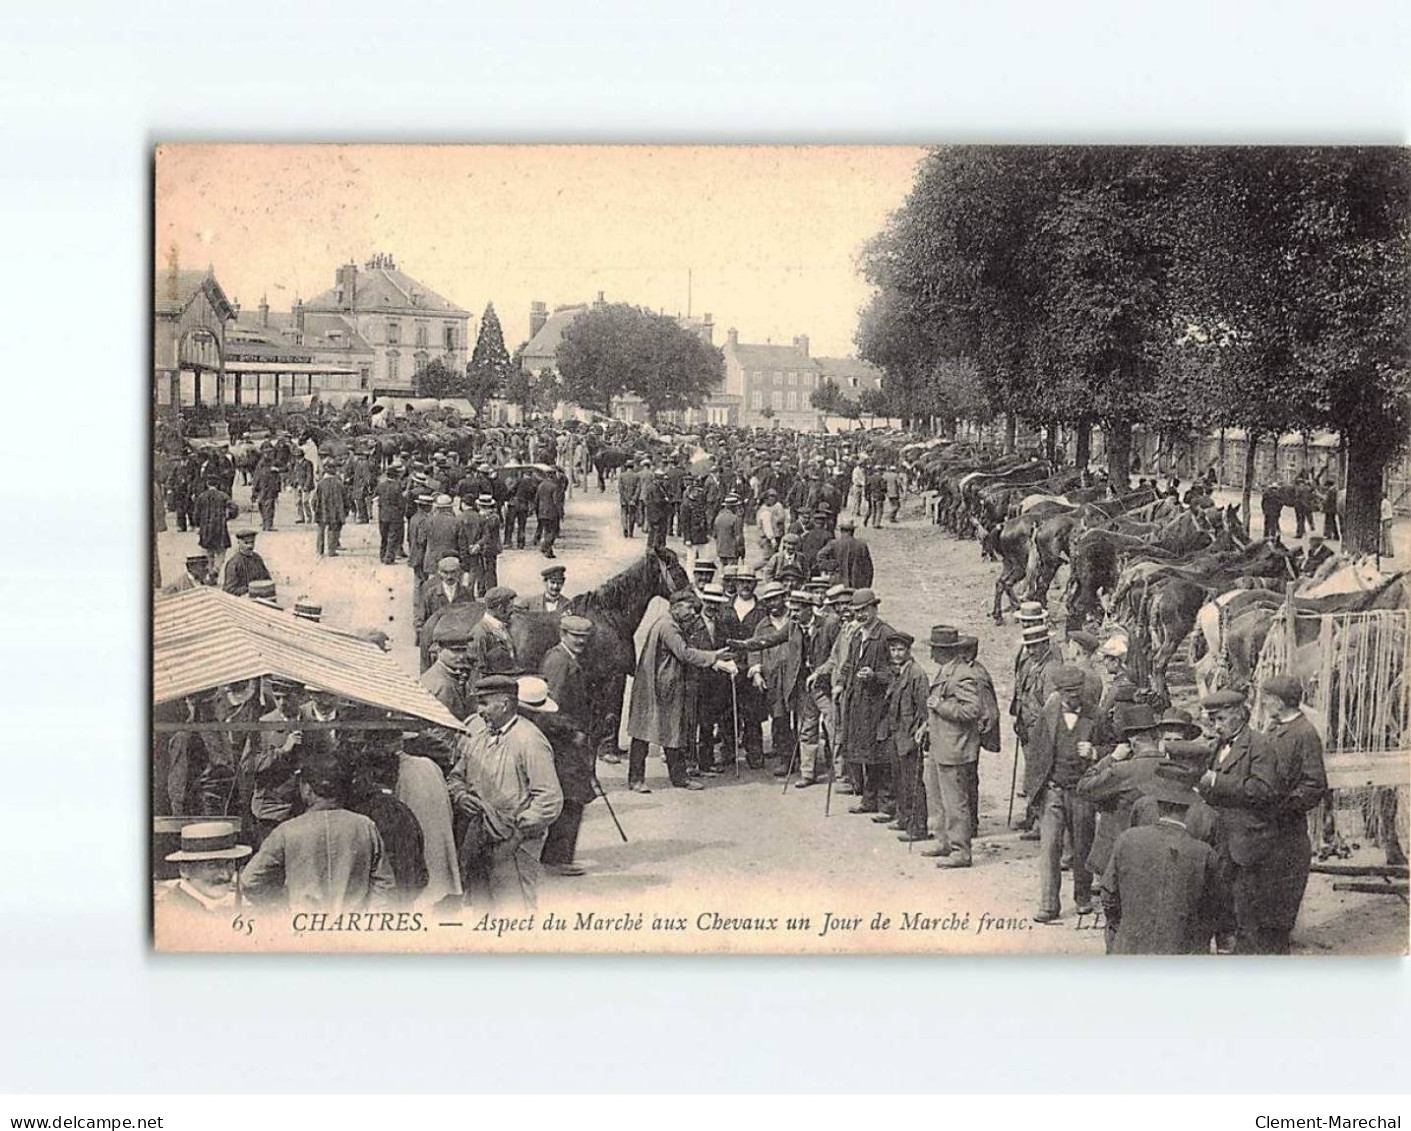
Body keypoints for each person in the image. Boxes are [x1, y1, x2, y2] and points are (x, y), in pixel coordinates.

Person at [1195, 688, 1305, 954]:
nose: (1216, 726)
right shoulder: (1217, 746)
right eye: (1212, 720)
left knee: (1250, 915)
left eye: (1220, 719)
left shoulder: (1260, 745)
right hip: (1222, 841)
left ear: (1238, 715)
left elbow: (1266, 790)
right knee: (1224, 907)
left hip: (1250, 843)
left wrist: (1217, 781)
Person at [448, 675, 564, 912]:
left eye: (485, 703)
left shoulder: (530, 740)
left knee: (515, 911)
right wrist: (461, 796)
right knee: (481, 908)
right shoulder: (478, 735)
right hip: (479, 838)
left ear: (506, 704)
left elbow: (549, 799)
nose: (479, 711)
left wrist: (517, 835)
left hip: (515, 845)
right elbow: (455, 777)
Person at [241, 737, 395, 913]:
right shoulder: (365, 826)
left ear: (307, 789)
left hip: (304, 927)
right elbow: (385, 885)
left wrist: (281, 904)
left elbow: (249, 881)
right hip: (352, 928)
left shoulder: (287, 831)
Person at [626, 588, 738, 792]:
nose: (694, 614)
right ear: (676, 607)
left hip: (663, 685)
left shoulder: (670, 623)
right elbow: (684, 653)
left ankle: (677, 777)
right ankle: (638, 779)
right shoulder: (668, 626)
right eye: (690, 608)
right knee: (646, 733)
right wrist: (714, 657)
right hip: (660, 686)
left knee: (670, 731)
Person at [1101, 773, 1227, 954]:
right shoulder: (1203, 852)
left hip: (1130, 947)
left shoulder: (1127, 839)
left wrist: (1123, 925)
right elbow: (1216, 909)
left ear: (1157, 806)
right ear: (1189, 808)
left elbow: (1108, 895)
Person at [1025, 666, 1101, 923]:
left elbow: (1115, 746)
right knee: (1049, 848)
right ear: (1059, 693)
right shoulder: (1048, 716)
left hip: (1082, 791)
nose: (1073, 698)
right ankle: (1048, 905)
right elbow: (1035, 755)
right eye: (1068, 694)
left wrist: (1095, 752)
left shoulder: (1096, 715)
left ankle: (1082, 898)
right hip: (1053, 791)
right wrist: (1034, 795)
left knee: (1083, 846)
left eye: (1077, 693)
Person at [519, 673, 594, 878]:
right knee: (568, 803)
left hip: (553, 765)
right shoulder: (534, 723)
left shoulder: (532, 718)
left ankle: (553, 856)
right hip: (552, 768)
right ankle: (555, 859)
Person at [921, 625, 982, 865]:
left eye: (934, 649)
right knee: (936, 796)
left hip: (955, 748)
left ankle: (961, 851)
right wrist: (926, 726)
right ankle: (943, 840)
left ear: (944, 651)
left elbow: (973, 709)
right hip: (940, 745)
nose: (931, 654)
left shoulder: (962, 674)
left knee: (955, 802)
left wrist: (940, 707)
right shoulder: (946, 670)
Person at [347, 732, 429, 908]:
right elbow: (421, 875)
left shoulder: (364, 815)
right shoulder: (405, 812)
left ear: (367, 777)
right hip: (404, 903)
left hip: (376, 907)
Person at [738, 582, 806, 776]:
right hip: (774, 678)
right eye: (769, 600)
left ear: (784, 598)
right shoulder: (763, 625)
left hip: (796, 676)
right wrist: (757, 673)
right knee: (780, 719)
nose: (773, 604)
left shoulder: (795, 620)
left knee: (802, 719)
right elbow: (755, 651)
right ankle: (787, 759)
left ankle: (806, 758)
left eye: (776, 598)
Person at [838, 588, 895, 814]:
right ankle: (869, 800)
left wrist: (875, 676)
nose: (860, 615)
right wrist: (841, 682)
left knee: (881, 755)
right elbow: (850, 665)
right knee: (865, 753)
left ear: (874, 608)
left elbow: (896, 672)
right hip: (858, 703)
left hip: (879, 705)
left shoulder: (886, 635)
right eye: (857, 611)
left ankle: (887, 804)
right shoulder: (857, 635)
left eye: (864, 610)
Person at [881, 629, 930, 841]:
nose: (897, 654)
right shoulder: (897, 672)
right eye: (893, 649)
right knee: (899, 779)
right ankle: (903, 818)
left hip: (909, 736)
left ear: (909, 651)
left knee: (913, 782)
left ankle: (918, 827)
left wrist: (920, 733)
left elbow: (924, 710)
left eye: (901, 650)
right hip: (895, 734)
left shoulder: (917, 675)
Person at [693, 584, 744, 775]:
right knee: (693, 724)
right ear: (703, 601)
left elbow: (729, 650)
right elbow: (691, 652)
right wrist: (713, 662)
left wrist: (732, 663)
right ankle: (691, 764)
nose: (712, 607)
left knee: (708, 723)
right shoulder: (693, 624)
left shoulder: (722, 625)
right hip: (697, 681)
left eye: (716, 603)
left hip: (715, 684)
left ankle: (706, 762)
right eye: (709, 602)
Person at [160, 821, 252, 919]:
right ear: (184, 870)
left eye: (229, 863)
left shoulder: (215, 906)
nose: (225, 875)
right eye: (212, 866)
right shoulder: (173, 912)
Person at [416, 556, 473, 672]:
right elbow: (421, 619)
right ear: (439, 573)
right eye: (445, 573)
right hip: (437, 643)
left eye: (453, 572)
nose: (449, 576)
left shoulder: (467, 593)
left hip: (459, 643)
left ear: (459, 572)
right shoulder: (431, 594)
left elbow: (472, 617)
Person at [467, 587, 519, 682]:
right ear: (500, 608)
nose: (512, 612)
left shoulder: (502, 627)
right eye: (510, 607)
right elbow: (477, 673)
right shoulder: (480, 633)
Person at [193, 474, 238, 583]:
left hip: (206, 529)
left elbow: (196, 514)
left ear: (207, 484)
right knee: (221, 552)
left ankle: (210, 572)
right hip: (220, 529)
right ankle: (216, 570)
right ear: (218, 484)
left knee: (208, 552)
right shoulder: (223, 496)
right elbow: (234, 508)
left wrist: (198, 524)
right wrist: (229, 516)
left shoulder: (202, 496)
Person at [823, 518, 874, 590]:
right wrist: (867, 584)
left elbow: (820, 556)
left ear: (841, 531)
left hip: (838, 580)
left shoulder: (834, 544)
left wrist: (831, 566)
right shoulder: (862, 545)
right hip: (857, 581)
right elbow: (869, 568)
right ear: (853, 531)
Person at [313, 462, 348, 557]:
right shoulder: (339, 483)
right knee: (333, 529)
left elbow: (315, 499)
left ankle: (319, 550)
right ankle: (331, 550)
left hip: (322, 509)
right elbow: (345, 498)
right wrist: (346, 510)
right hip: (335, 511)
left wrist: (314, 508)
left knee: (320, 530)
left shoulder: (320, 484)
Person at [222, 529, 272, 596]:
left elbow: (267, 578)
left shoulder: (257, 558)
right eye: (246, 543)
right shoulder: (234, 563)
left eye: (252, 542)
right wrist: (249, 589)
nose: (250, 546)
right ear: (239, 543)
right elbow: (228, 589)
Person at [375, 464, 406, 565]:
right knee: (392, 536)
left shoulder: (381, 485)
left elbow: (377, 497)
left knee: (384, 536)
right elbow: (400, 502)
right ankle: (389, 558)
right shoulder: (397, 486)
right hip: (395, 515)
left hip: (383, 514)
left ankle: (382, 555)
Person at [535, 467, 564, 558]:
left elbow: (536, 500)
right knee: (553, 532)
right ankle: (545, 547)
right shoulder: (554, 486)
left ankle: (549, 551)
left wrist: (537, 511)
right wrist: (560, 512)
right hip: (552, 512)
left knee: (546, 531)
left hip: (541, 512)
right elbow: (556, 501)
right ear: (552, 475)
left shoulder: (540, 486)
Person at [714, 493, 745, 566]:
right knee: (732, 571)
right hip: (732, 551)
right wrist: (741, 550)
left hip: (721, 549)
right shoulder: (735, 519)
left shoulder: (718, 518)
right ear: (733, 507)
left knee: (723, 570)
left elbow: (715, 535)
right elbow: (738, 536)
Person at [252, 459, 283, 532]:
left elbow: (255, 483)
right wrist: (277, 492)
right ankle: (268, 525)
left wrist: (254, 493)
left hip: (263, 493)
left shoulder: (259, 472)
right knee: (269, 509)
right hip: (270, 493)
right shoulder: (274, 472)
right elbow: (278, 482)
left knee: (262, 508)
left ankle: (265, 523)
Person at [617, 460, 641, 538]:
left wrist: (624, 497)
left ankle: (625, 527)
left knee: (623, 514)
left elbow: (620, 489)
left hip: (624, 499)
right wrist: (634, 498)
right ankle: (631, 532)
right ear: (633, 467)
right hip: (632, 500)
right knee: (632, 515)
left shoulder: (622, 475)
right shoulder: (636, 476)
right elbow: (638, 488)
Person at [291, 450, 315, 525]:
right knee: (298, 502)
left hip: (305, 485)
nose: (297, 458)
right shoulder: (296, 464)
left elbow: (309, 475)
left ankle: (309, 517)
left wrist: (306, 486)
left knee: (305, 502)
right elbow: (294, 474)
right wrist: (293, 482)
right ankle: (301, 517)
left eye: (298, 456)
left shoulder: (308, 463)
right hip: (297, 485)